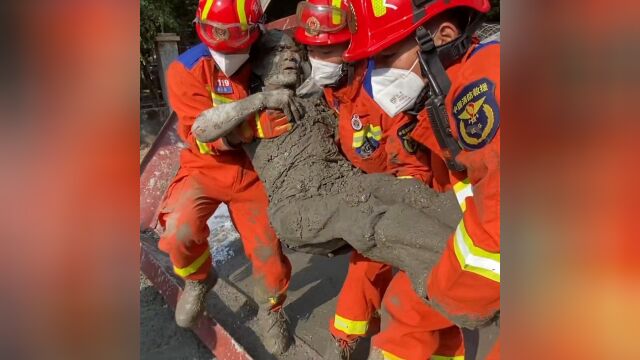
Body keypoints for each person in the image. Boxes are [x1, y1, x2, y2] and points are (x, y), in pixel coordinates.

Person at [293, 1, 463, 359]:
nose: (318, 57)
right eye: (312, 49)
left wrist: (380, 209)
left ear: (353, 46)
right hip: (374, 189)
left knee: (370, 268)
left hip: (410, 192)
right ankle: (352, 333)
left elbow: (415, 168)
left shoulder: (389, 89)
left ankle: (343, 339)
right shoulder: (335, 91)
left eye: (328, 49)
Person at [342, 0, 500, 359]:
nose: (375, 74)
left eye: (386, 56)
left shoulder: (484, 88)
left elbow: (500, 237)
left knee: (413, 310)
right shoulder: (446, 92)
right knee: (409, 309)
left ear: (442, 37)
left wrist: (438, 295)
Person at [157, 0, 298, 354]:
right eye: (217, 36)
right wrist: (248, 129)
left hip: (253, 172)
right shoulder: (187, 69)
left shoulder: (267, 57)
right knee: (178, 232)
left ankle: (271, 308)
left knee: (268, 252)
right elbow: (197, 134)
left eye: (233, 36)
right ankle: (199, 279)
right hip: (205, 170)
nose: (224, 46)